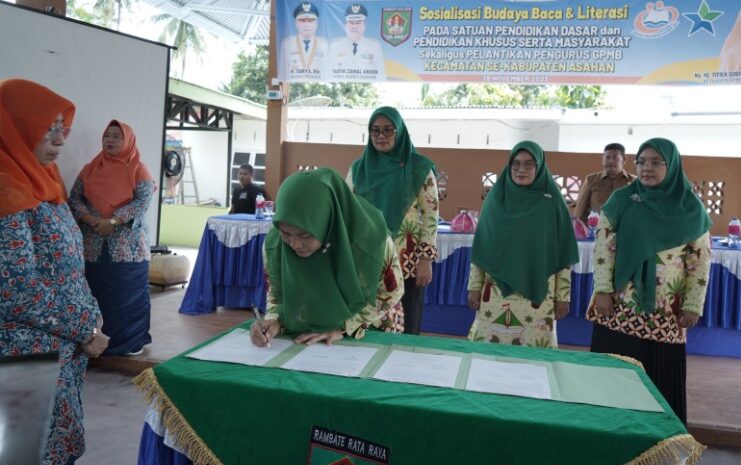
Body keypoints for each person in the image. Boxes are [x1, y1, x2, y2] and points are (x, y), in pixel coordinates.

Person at [0, 78, 109, 465]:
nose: (60, 140)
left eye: (61, 129)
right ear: (15, 128)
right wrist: (86, 327)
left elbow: (68, 267)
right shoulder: (5, 189)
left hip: (59, 353)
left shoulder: (44, 182)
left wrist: (90, 316)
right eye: (48, 130)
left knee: (53, 451)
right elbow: (15, 290)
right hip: (24, 359)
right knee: (24, 453)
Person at [587, 138, 711, 425]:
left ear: (673, 165)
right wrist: (603, 290)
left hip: (665, 316)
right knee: (610, 387)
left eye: (656, 162)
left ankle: (657, 451)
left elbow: (699, 260)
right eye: (641, 161)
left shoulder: (691, 209)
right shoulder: (622, 201)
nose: (646, 168)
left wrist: (693, 304)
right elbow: (603, 247)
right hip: (619, 311)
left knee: (659, 391)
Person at [250, 168, 404, 346]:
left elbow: (392, 291)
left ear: (329, 221)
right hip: (307, 333)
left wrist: (345, 326)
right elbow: (277, 295)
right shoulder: (275, 245)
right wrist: (274, 321)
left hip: (370, 326)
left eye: (305, 235)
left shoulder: (371, 240)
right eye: (286, 233)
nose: (295, 244)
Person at [467, 141, 579, 348]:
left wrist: (563, 296)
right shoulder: (495, 199)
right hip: (495, 293)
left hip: (538, 294)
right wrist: (474, 287)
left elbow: (563, 253)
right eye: (516, 163)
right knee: (488, 350)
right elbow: (482, 245)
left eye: (529, 164)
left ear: (539, 166)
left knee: (534, 350)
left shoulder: (553, 202)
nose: (521, 169)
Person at [347, 107, 438, 335]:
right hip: (366, 259)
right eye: (375, 130)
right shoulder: (358, 169)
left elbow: (430, 215)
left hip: (406, 260)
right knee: (368, 322)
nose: (381, 136)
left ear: (400, 133)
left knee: (407, 325)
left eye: (388, 130)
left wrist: (425, 259)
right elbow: (345, 209)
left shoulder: (418, 167)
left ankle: (404, 369)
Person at [68, 120, 155, 356]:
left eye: (117, 136)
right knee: (96, 293)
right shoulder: (89, 169)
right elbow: (74, 198)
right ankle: (95, 343)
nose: (111, 140)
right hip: (92, 244)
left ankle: (129, 343)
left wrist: (114, 220)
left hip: (128, 248)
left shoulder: (138, 169)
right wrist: (90, 219)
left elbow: (142, 201)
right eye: (107, 135)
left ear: (127, 141)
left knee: (126, 295)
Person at [574, 143, 636, 223]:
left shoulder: (634, 182)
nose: (610, 161)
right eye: (607, 157)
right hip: (597, 232)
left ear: (624, 159)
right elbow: (580, 210)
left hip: (624, 231)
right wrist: (578, 231)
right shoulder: (591, 180)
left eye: (615, 158)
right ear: (603, 159)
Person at [328, 3, 386, 81]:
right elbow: (328, 74)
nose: (354, 26)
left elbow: (381, 76)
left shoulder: (374, 46)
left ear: (364, 25)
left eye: (358, 22)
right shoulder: (335, 46)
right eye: (351, 22)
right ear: (345, 25)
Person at [280, 2, 328, 81]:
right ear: (296, 23)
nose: (306, 25)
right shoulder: (287, 44)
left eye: (310, 20)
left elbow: (327, 72)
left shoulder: (324, 44)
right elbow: (282, 73)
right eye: (302, 20)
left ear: (317, 23)